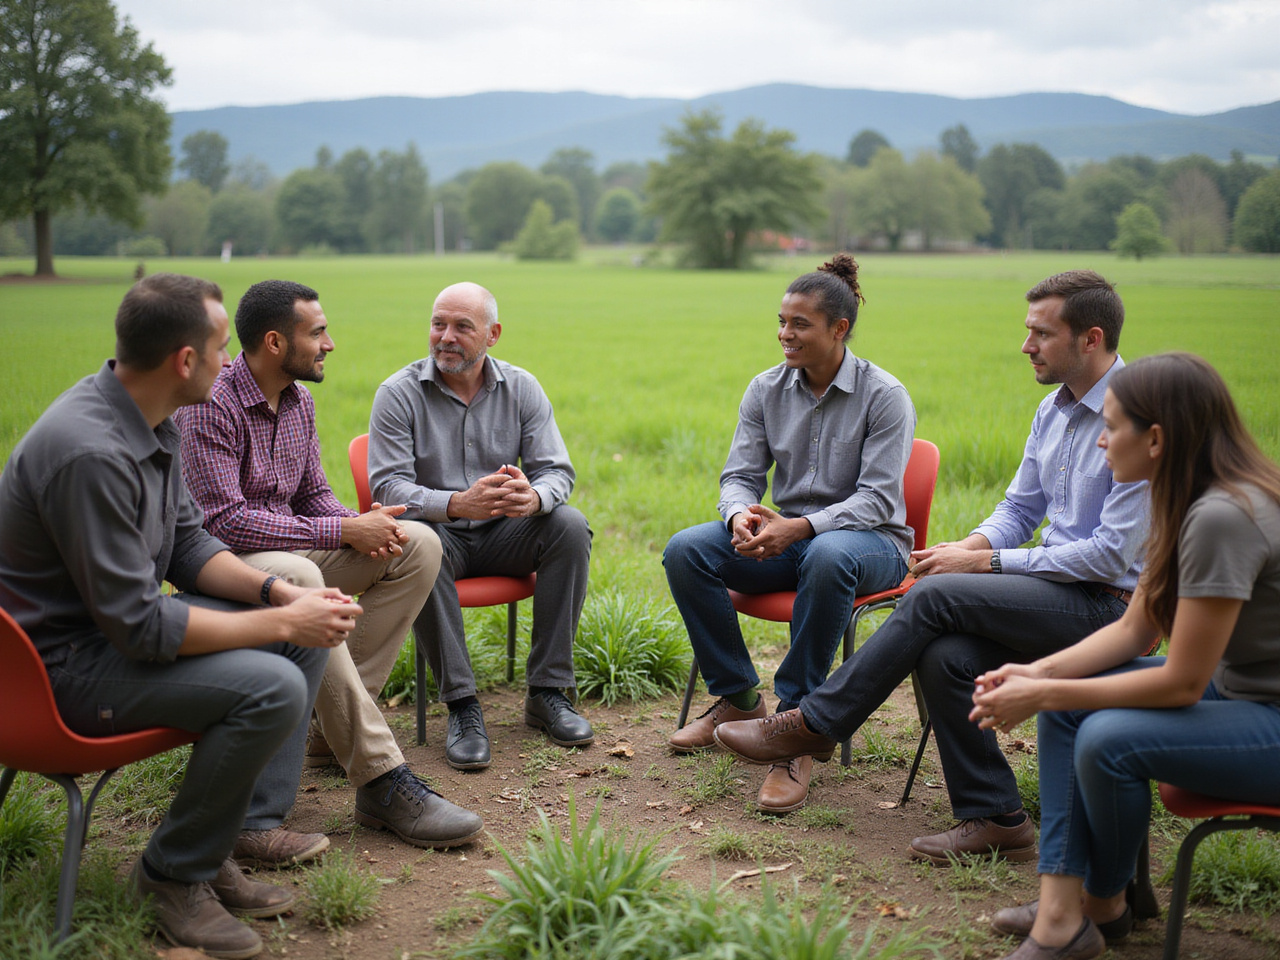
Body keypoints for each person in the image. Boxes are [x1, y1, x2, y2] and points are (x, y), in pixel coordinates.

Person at [714, 270, 1148, 862]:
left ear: (1090, 339)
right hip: (1054, 592)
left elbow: (1109, 555)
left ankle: (813, 722)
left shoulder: (1142, 416)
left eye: (1040, 334)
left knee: (934, 598)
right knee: (946, 655)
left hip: (1110, 608)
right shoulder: (1054, 408)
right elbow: (1019, 507)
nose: (1026, 346)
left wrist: (984, 563)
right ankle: (996, 815)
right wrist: (965, 549)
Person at [0, 273, 363, 959]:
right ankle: (170, 875)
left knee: (296, 638)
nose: (231, 362)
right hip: (54, 677)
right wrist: (282, 625)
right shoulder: (91, 453)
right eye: (223, 347)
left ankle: (217, 839)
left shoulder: (148, 420)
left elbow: (190, 544)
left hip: (107, 642)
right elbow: (139, 626)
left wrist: (276, 597)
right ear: (184, 361)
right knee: (275, 681)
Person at [973, 352, 1280, 960]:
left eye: (1111, 428)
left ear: (1157, 438)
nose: (1101, 443)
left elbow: (1181, 684)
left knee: (1107, 736)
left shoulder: (1223, 516)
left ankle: (1105, 901)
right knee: (1069, 712)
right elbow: (1134, 629)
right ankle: (1063, 910)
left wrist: (1046, 691)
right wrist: (1037, 675)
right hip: (1239, 692)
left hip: (1265, 717)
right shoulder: (1182, 496)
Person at [175, 279, 483, 850]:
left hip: (291, 546)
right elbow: (222, 522)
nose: (330, 344)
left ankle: (329, 725)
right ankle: (379, 778)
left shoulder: (298, 400)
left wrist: (368, 528)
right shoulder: (212, 403)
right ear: (274, 342)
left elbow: (313, 494)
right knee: (307, 576)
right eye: (317, 332)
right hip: (231, 563)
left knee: (418, 543)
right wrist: (343, 529)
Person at [663, 254, 915, 814]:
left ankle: (798, 726)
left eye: (799, 324)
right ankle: (739, 700)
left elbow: (876, 499)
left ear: (838, 328)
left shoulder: (885, 396)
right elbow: (739, 476)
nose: (784, 334)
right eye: (781, 321)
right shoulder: (765, 389)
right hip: (792, 538)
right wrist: (740, 517)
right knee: (686, 550)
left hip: (872, 544)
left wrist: (798, 526)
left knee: (827, 555)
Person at [368, 281, 593, 770]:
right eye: (438, 324)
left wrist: (534, 497)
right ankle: (463, 706)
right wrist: (456, 504)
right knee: (419, 544)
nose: (445, 336)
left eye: (462, 327)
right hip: (439, 533)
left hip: (504, 533)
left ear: (492, 334)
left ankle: (549, 692)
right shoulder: (398, 393)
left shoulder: (522, 387)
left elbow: (558, 470)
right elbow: (387, 488)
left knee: (569, 526)